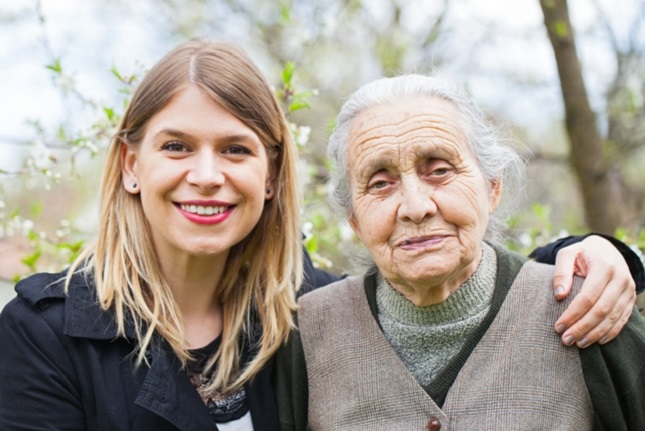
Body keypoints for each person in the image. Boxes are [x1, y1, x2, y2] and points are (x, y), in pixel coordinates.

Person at [0, 39, 640, 431]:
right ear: (131, 166)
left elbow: (477, 297)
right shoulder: (45, 334)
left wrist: (605, 257)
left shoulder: (305, 311)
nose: (205, 175)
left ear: (273, 176)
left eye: (235, 149)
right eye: (175, 146)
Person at [276, 74, 645, 430]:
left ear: (492, 188)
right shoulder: (305, 335)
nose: (415, 207)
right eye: (380, 183)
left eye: (438, 170)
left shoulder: (593, 309)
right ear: (354, 220)